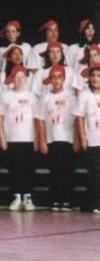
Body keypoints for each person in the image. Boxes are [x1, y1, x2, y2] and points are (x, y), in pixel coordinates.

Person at [0, 65, 38, 211]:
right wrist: (2, 137)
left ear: (26, 79)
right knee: (14, 168)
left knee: (28, 168)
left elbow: (37, 120)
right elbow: (0, 118)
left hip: (28, 138)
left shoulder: (32, 96)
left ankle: (27, 197)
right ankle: (16, 196)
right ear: (12, 79)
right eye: (16, 77)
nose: (19, 79)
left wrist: (37, 139)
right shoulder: (6, 96)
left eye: (22, 77)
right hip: (12, 138)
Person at [35, 65, 77, 211]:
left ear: (64, 79)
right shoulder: (46, 98)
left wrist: (76, 139)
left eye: (59, 77)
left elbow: (77, 119)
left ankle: (67, 200)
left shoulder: (71, 97)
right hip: (52, 138)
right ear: (50, 80)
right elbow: (40, 120)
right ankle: (55, 200)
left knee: (67, 170)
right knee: (54, 170)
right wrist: (42, 141)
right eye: (54, 77)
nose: (57, 80)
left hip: (68, 138)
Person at [74, 64, 100, 214]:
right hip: (92, 139)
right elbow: (79, 118)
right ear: (89, 78)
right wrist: (82, 138)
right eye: (93, 76)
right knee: (95, 172)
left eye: (98, 76)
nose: (96, 79)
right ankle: (94, 203)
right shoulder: (84, 95)